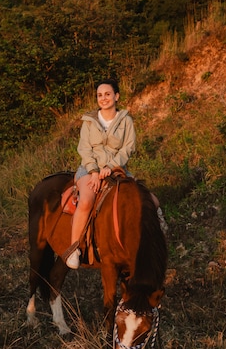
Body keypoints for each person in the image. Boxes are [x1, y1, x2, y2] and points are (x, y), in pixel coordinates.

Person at [63, 77, 156, 269]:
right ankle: (74, 248)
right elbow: (84, 149)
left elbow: (127, 149)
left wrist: (111, 167)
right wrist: (95, 172)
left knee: (149, 200)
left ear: (116, 96)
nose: (103, 98)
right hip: (89, 169)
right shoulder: (88, 121)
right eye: (99, 95)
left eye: (107, 94)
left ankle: (155, 233)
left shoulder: (126, 121)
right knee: (87, 199)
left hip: (117, 169)